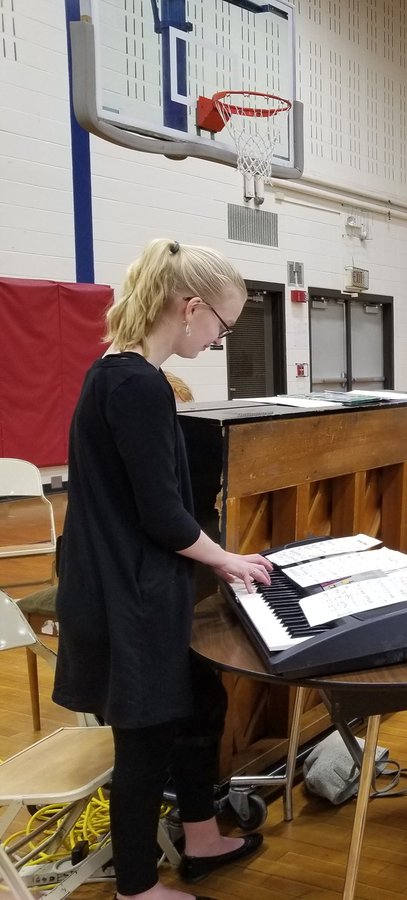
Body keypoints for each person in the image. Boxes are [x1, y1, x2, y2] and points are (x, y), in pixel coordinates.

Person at [52, 239, 274, 900]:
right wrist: (228, 560)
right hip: (129, 591)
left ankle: (201, 835)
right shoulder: (136, 383)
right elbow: (163, 515)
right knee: (144, 740)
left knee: (198, 700)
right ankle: (138, 887)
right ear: (190, 306)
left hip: (140, 582)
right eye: (223, 327)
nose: (219, 339)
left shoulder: (117, 373)